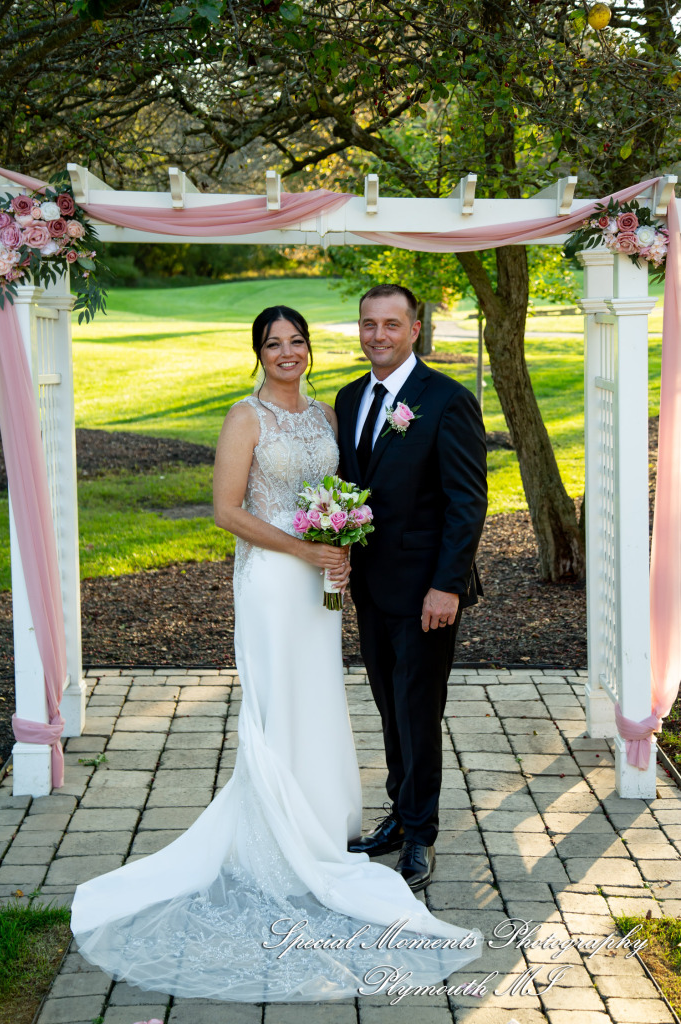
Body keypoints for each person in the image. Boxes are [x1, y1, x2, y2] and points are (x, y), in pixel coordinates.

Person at [69, 305, 482, 1002]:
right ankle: (302, 827)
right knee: (303, 699)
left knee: (341, 700)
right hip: (277, 581)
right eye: (272, 343)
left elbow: (426, 497)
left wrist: (376, 562)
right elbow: (228, 510)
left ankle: (377, 825)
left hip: (346, 584)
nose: (285, 352)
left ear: (412, 328)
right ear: (257, 351)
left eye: (295, 341)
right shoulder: (259, 415)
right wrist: (315, 548)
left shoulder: (339, 412)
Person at [336, 285, 488, 891]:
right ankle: (400, 816)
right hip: (371, 588)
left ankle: (421, 835)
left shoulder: (447, 400)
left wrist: (447, 586)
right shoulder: (349, 399)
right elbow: (351, 484)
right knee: (389, 709)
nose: (379, 336)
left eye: (391, 324)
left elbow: (466, 503)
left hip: (428, 592)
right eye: (369, 324)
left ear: (416, 329)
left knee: (418, 711)